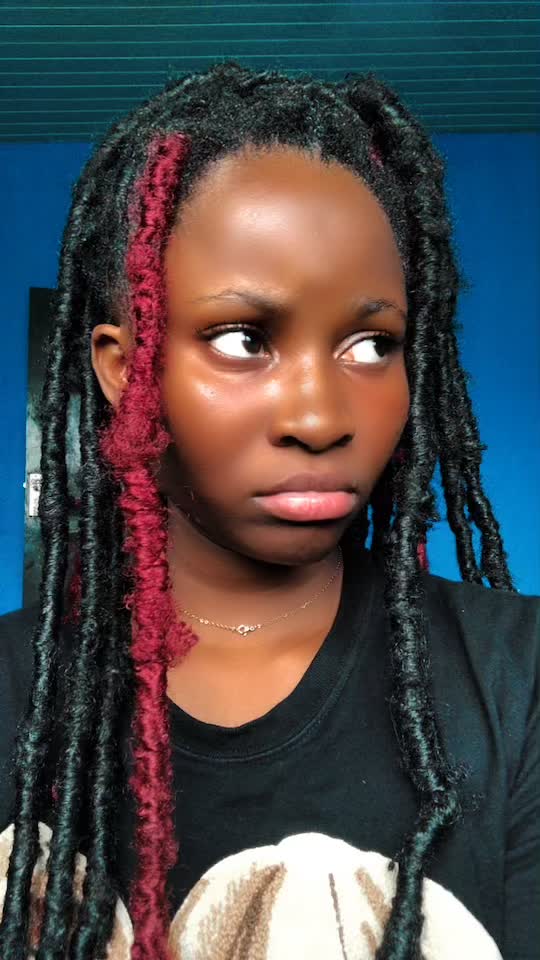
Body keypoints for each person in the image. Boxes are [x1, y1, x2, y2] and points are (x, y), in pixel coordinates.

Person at [0, 60, 537, 960]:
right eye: (243, 338)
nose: (321, 419)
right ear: (125, 371)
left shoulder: (518, 680)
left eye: (371, 344)